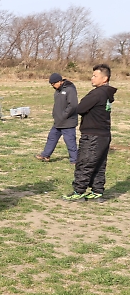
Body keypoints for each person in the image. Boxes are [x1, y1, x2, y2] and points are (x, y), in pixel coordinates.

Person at [63, 64, 117, 201]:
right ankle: (97, 190)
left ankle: (79, 191)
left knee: (84, 162)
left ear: (104, 79)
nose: (92, 78)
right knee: (99, 163)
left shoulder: (97, 93)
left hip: (93, 135)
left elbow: (80, 108)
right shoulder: (107, 93)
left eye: (95, 76)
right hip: (104, 134)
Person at [36, 73, 78, 164]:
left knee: (70, 141)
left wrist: (64, 115)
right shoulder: (58, 90)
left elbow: (73, 105)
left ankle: (75, 160)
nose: (52, 86)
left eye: (53, 84)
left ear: (60, 81)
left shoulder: (70, 90)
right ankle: (45, 155)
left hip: (68, 122)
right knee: (51, 138)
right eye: (51, 84)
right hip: (58, 121)